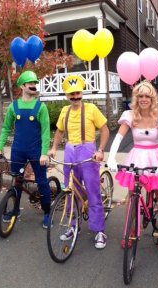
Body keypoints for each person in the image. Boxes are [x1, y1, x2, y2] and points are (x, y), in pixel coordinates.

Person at [107, 81, 158, 251]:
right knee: (132, 196)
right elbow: (118, 138)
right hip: (137, 157)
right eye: (140, 96)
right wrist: (111, 158)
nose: (144, 99)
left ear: (153, 98)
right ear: (136, 98)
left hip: (156, 156)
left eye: (147, 96)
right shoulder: (130, 115)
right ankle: (130, 230)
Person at [48, 74, 110, 249]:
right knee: (70, 191)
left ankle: (99, 230)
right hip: (70, 151)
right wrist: (53, 148)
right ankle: (73, 226)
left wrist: (100, 150)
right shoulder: (64, 111)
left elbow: (105, 130)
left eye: (77, 93)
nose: (75, 97)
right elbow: (60, 131)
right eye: (71, 94)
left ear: (82, 93)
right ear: (67, 96)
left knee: (93, 191)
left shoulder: (91, 109)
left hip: (88, 151)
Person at [0, 70, 52, 228]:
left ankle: (47, 212)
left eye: (35, 83)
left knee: (41, 182)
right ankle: (15, 210)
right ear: (23, 86)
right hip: (18, 150)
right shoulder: (14, 106)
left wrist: (44, 153)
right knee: (17, 182)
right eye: (30, 83)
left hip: (36, 151)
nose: (33, 85)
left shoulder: (41, 107)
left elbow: (46, 132)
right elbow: (6, 129)